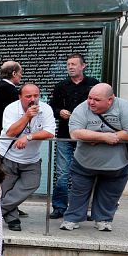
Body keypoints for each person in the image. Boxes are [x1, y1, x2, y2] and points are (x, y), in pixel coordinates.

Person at [60, 83, 128, 232]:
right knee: (78, 192)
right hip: (84, 163)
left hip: (118, 165)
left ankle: (104, 219)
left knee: (110, 193)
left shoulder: (125, 107)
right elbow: (75, 133)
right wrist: (104, 137)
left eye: (96, 99)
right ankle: (72, 218)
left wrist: (107, 137)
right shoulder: (82, 108)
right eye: (90, 98)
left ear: (110, 100)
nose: (91, 102)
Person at [0, 84, 55, 231]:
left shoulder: (46, 109)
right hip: (7, 155)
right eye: (28, 96)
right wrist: (27, 116)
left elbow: (49, 132)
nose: (33, 99)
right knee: (4, 189)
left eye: (36, 96)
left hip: (31, 159)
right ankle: (13, 219)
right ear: (20, 97)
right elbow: (10, 132)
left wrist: (28, 137)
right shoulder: (11, 108)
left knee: (32, 184)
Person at [49, 53, 99, 219]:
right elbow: (52, 108)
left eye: (73, 64)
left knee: (87, 172)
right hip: (65, 135)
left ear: (83, 66)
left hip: (87, 135)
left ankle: (86, 208)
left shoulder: (93, 84)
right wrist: (59, 112)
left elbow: (101, 108)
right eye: (68, 64)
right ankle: (59, 207)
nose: (70, 67)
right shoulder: (61, 86)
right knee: (62, 173)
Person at [0, 61, 22, 137]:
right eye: (20, 73)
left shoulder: (1, 86)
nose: (21, 76)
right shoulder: (8, 89)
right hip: (7, 134)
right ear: (14, 74)